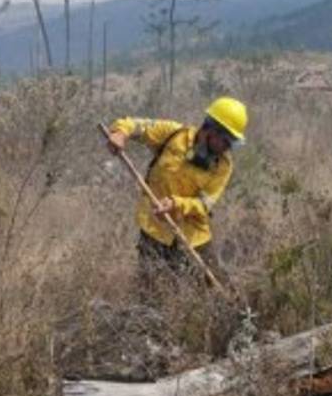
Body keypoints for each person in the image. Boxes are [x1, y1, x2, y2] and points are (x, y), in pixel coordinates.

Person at [105, 97, 247, 298]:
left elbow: (205, 204)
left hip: (194, 237)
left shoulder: (223, 166)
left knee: (216, 290)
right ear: (210, 129)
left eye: (232, 142)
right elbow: (137, 126)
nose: (227, 146)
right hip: (154, 230)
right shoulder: (174, 135)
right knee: (151, 293)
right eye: (225, 140)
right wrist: (120, 133)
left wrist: (176, 205)